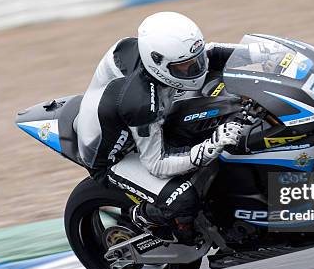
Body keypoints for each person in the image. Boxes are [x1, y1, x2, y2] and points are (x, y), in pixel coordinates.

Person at [75, 12, 244, 242]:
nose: (195, 70)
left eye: (195, 62)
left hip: (139, 120)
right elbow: (157, 163)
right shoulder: (141, 102)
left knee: (222, 103)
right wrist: (208, 148)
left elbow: (211, 53)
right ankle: (145, 219)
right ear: (159, 64)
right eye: (184, 67)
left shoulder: (158, 56)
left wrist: (262, 54)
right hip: (117, 156)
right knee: (183, 199)